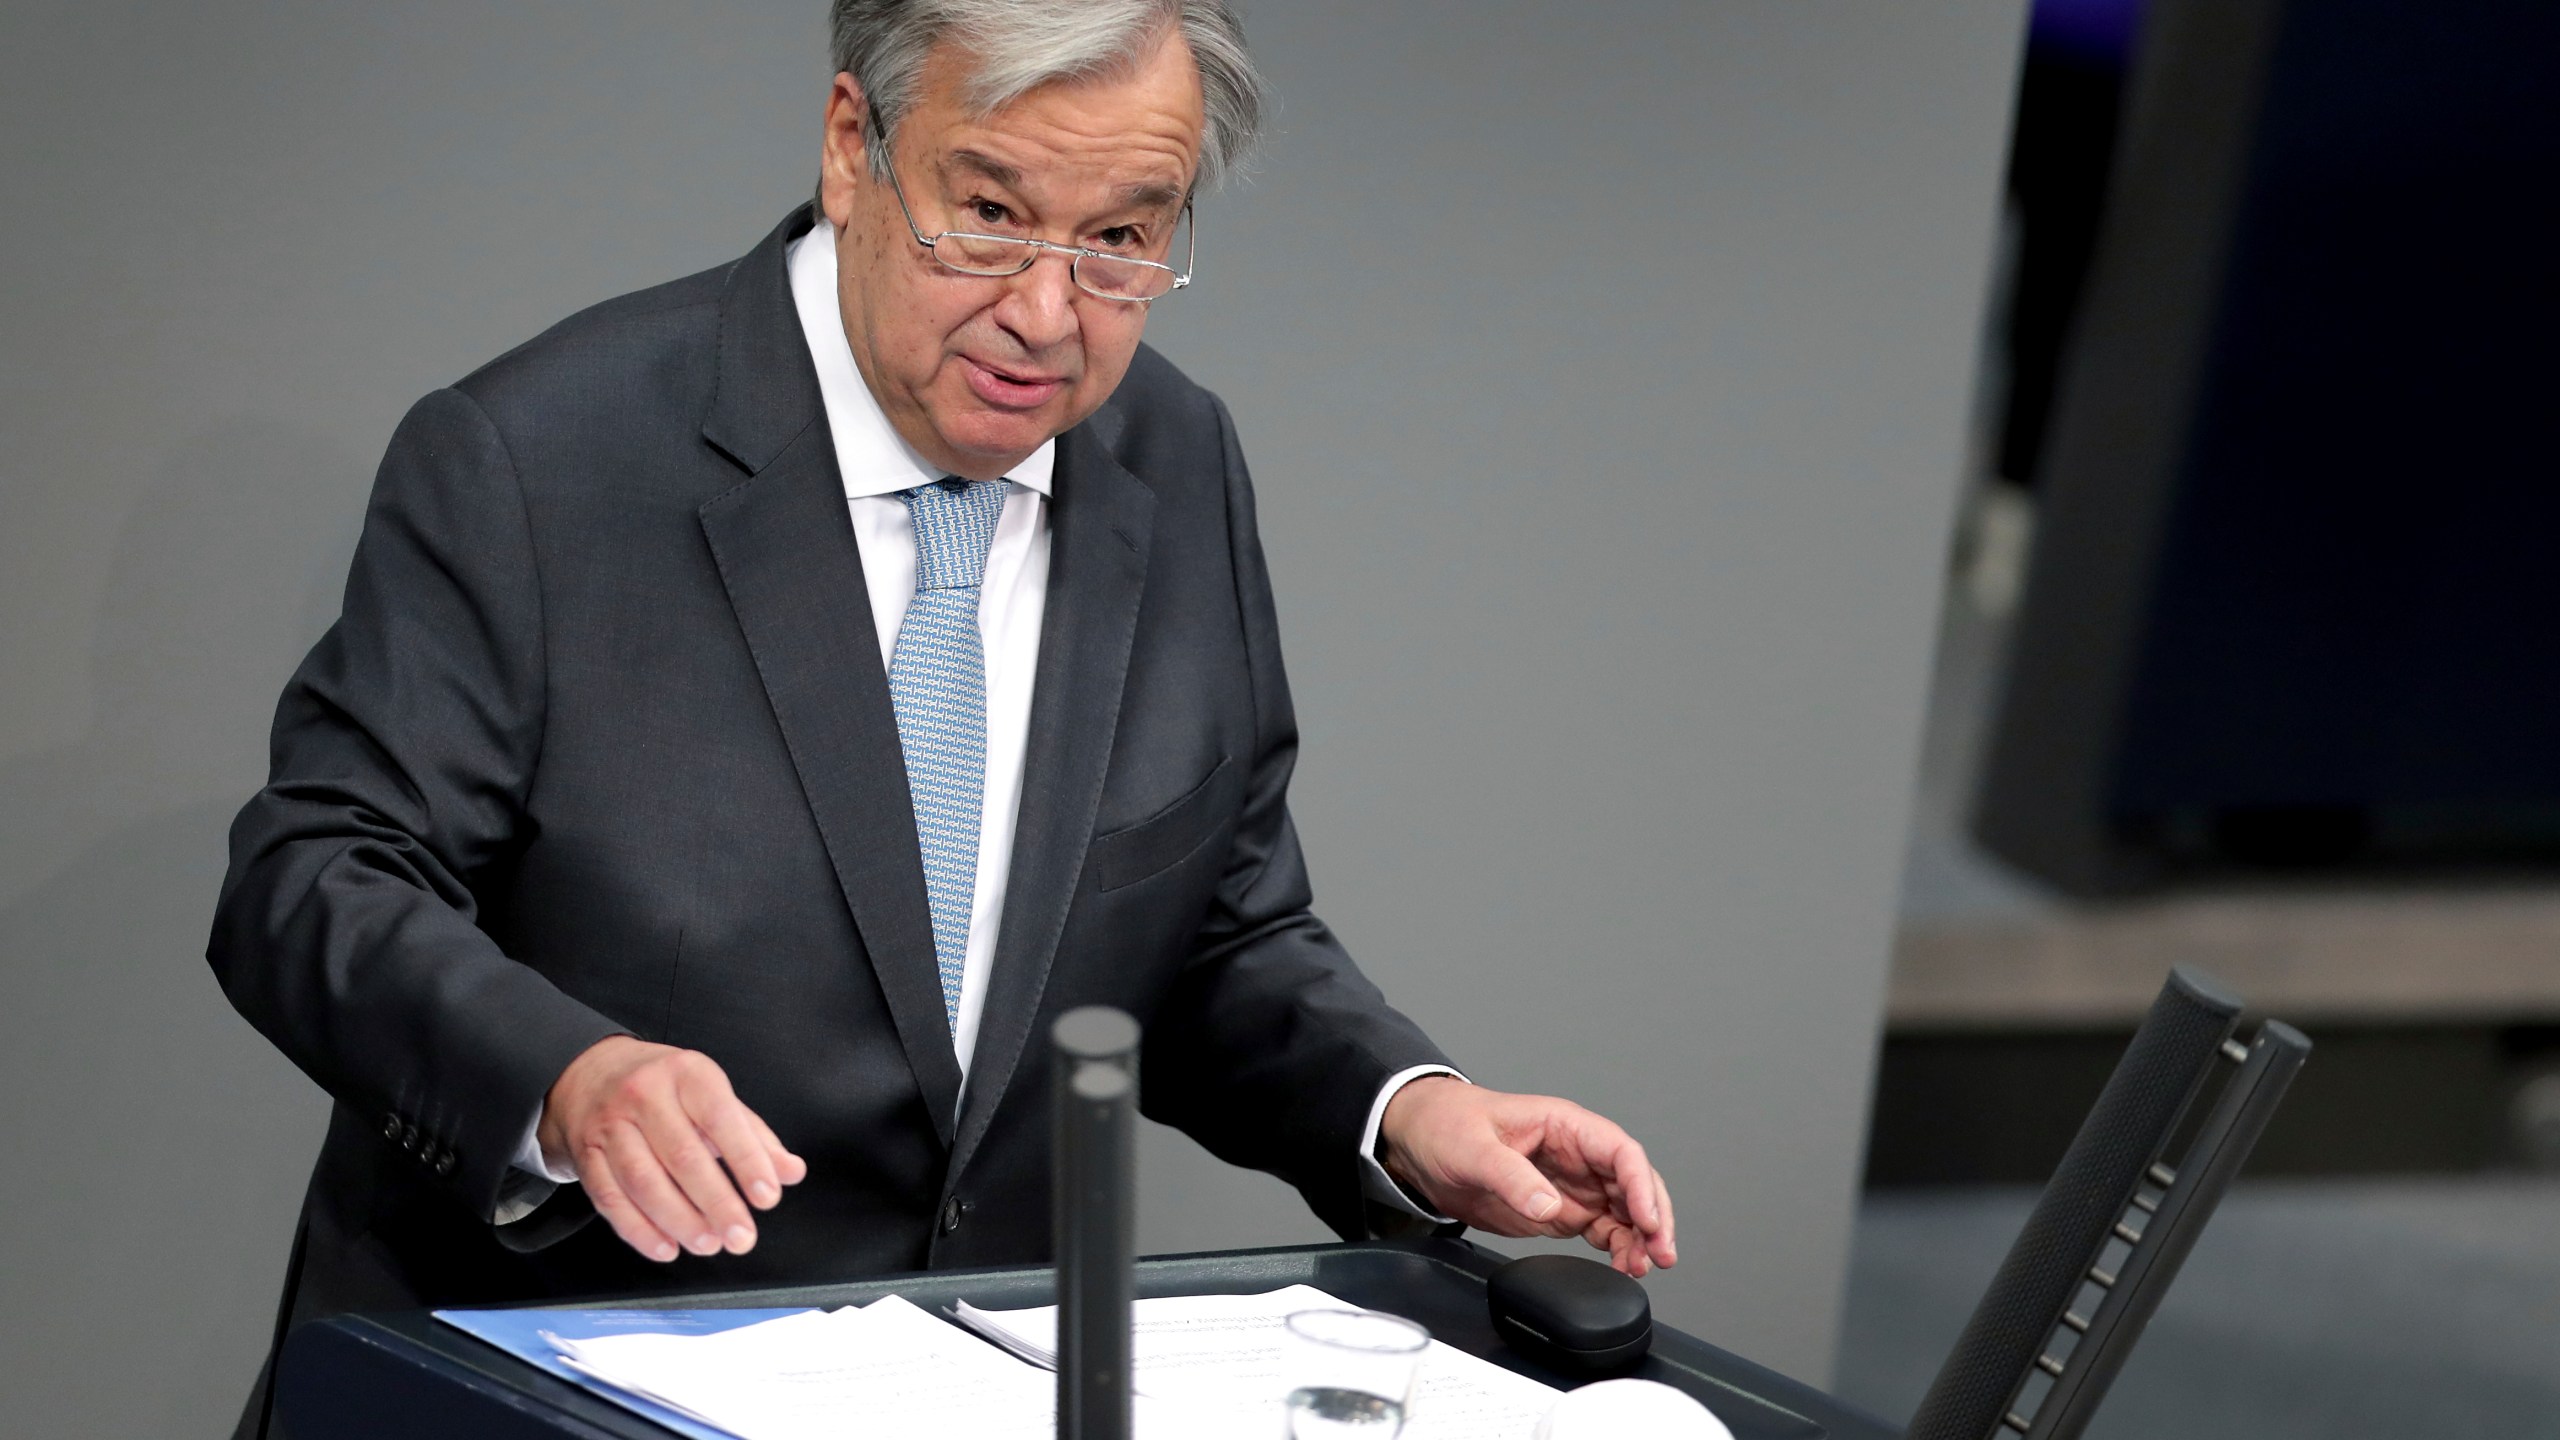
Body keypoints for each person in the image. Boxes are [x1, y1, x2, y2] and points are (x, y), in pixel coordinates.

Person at [210, 1, 1676, 1432]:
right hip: (550, 1376)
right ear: (855, 148)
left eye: (1120, 239)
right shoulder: (542, 457)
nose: (1048, 315)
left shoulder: (1176, 456)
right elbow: (316, 877)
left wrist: (1402, 1108)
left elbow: (1214, 920)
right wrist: (565, 1077)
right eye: (989, 213)